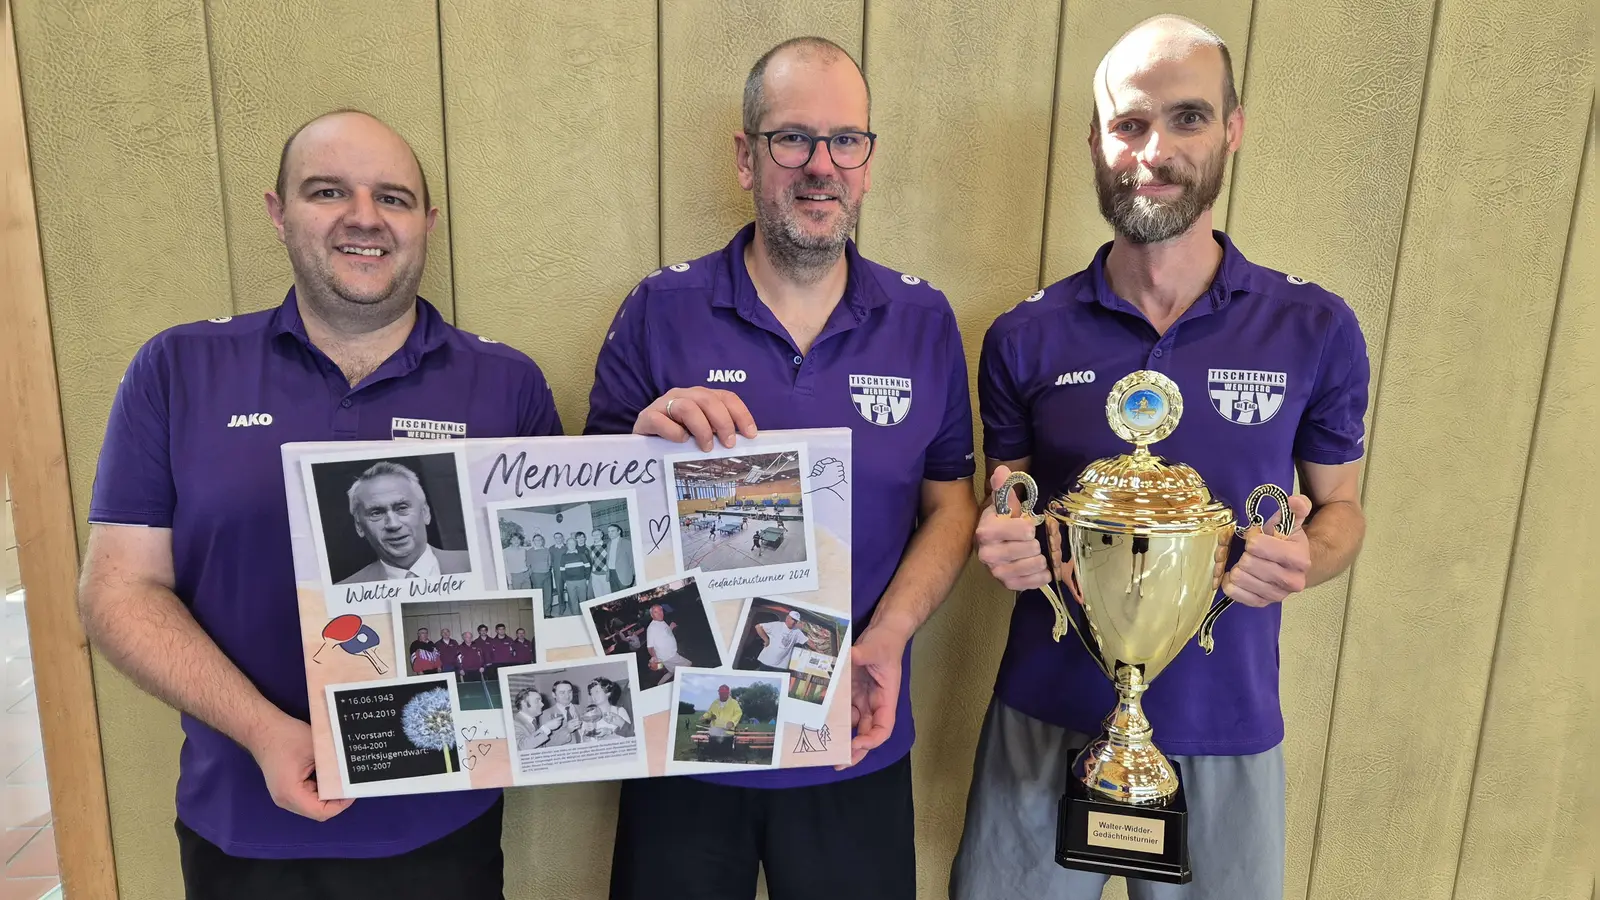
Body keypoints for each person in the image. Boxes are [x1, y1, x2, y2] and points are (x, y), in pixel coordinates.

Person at [76, 108, 563, 899]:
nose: (364, 218)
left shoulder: (506, 384)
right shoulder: (178, 369)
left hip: (444, 828)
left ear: (426, 224)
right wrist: (265, 732)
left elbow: (557, 600)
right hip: (241, 828)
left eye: (393, 198)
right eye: (328, 191)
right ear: (277, 211)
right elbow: (117, 591)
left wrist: (653, 462)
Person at [950, 16, 1369, 900]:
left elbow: (1340, 513)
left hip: (1227, 722)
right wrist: (1004, 539)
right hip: (1045, 713)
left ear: (1233, 129)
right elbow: (1009, 499)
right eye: (1129, 124)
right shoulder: (1025, 335)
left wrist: (1306, 558)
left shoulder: (1314, 328)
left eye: (1187, 118)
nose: (1154, 151)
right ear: (1097, 142)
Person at [587, 36, 977, 900]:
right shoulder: (662, 308)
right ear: (745, 156)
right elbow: (593, 526)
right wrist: (639, 443)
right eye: (792, 139)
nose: (820, 166)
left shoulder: (922, 320)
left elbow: (952, 506)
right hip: (684, 743)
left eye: (846, 141)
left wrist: (889, 638)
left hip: (851, 731)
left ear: (868, 162)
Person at [336, 461, 473, 584]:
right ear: (359, 527)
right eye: (376, 513)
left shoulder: (475, 564)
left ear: (425, 513)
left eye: (402, 508)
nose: (393, 524)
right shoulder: (343, 591)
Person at [644, 603, 690, 683]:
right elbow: (650, 647)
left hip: (669, 655)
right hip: (669, 656)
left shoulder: (661, 621)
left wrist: (671, 628)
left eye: (660, 610)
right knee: (689, 665)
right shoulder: (651, 628)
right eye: (656, 612)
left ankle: (660, 684)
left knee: (672, 671)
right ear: (652, 615)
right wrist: (655, 658)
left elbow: (665, 633)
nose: (659, 613)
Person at [700, 684, 743, 760]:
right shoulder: (715, 703)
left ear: (728, 693)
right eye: (721, 693)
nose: (722, 695)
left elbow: (738, 713)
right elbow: (709, 712)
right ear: (719, 693)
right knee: (714, 752)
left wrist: (732, 722)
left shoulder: (734, 703)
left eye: (724, 693)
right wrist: (704, 716)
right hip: (714, 732)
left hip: (727, 733)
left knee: (725, 753)